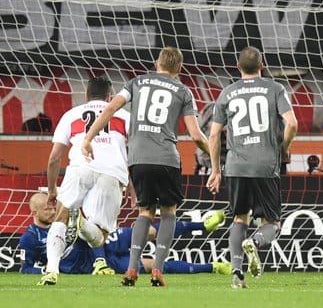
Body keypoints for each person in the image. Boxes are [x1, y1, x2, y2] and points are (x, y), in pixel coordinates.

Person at [82, 46, 210, 287]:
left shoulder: (136, 83)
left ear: (156, 63)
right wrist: (214, 161)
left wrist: (88, 138)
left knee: (145, 213)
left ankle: (132, 269)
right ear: (179, 68)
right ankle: (157, 270)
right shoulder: (184, 91)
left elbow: (110, 108)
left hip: (138, 159)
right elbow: (195, 134)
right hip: (166, 159)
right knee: (168, 212)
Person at [206, 46, 298, 289]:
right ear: (262, 66)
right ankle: (255, 242)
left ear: (237, 67)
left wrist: (216, 170)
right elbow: (292, 123)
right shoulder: (276, 89)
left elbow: (213, 136)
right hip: (265, 165)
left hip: (235, 166)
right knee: (272, 223)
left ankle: (237, 273)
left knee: (239, 219)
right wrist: (284, 147)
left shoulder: (227, 92)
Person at [39, 76, 131, 286]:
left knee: (60, 218)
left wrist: (53, 190)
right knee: (100, 237)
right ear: (110, 97)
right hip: (112, 172)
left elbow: (54, 158)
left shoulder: (71, 115)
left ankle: (52, 270)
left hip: (80, 167)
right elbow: (134, 152)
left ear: (86, 96)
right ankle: (82, 223)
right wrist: (134, 186)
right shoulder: (124, 115)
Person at [20, 193, 231, 276]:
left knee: (150, 230)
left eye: (53, 206)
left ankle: (204, 226)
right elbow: (25, 268)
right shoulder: (29, 238)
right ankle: (213, 267)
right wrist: (44, 271)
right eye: (47, 208)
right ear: (34, 212)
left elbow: (88, 234)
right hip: (90, 266)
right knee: (153, 265)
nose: (52, 210)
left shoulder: (64, 220)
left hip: (105, 244)